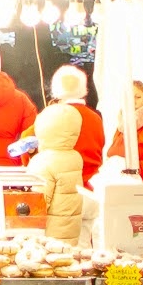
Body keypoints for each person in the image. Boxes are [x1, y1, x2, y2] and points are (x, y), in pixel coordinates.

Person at [26, 64, 107, 185]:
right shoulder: (96, 118)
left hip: (60, 184)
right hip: (92, 185)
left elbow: (26, 141)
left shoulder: (50, 116)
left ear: (56, 89)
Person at [28, 102, 86, 243]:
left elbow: (37, 206)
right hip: (69, 232)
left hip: (47, 238)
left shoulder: (43, 162)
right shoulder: (74, 156)